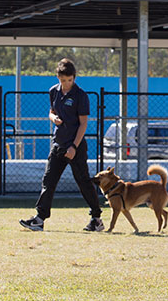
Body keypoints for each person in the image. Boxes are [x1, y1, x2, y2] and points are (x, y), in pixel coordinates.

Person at [19, 58, 104, 232]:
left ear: (74, 78)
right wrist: (53, 118)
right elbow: (51, 111)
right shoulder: (53, 92)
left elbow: (83, 124)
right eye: (63, 80)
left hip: (75, 146)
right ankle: (39, 219)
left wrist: (73, 147)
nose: (66, 84)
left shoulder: (81, 95)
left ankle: (96, 219)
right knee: (48, 181)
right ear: (58, 78)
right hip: (57, 144)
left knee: (83, 182)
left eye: (69, 80)